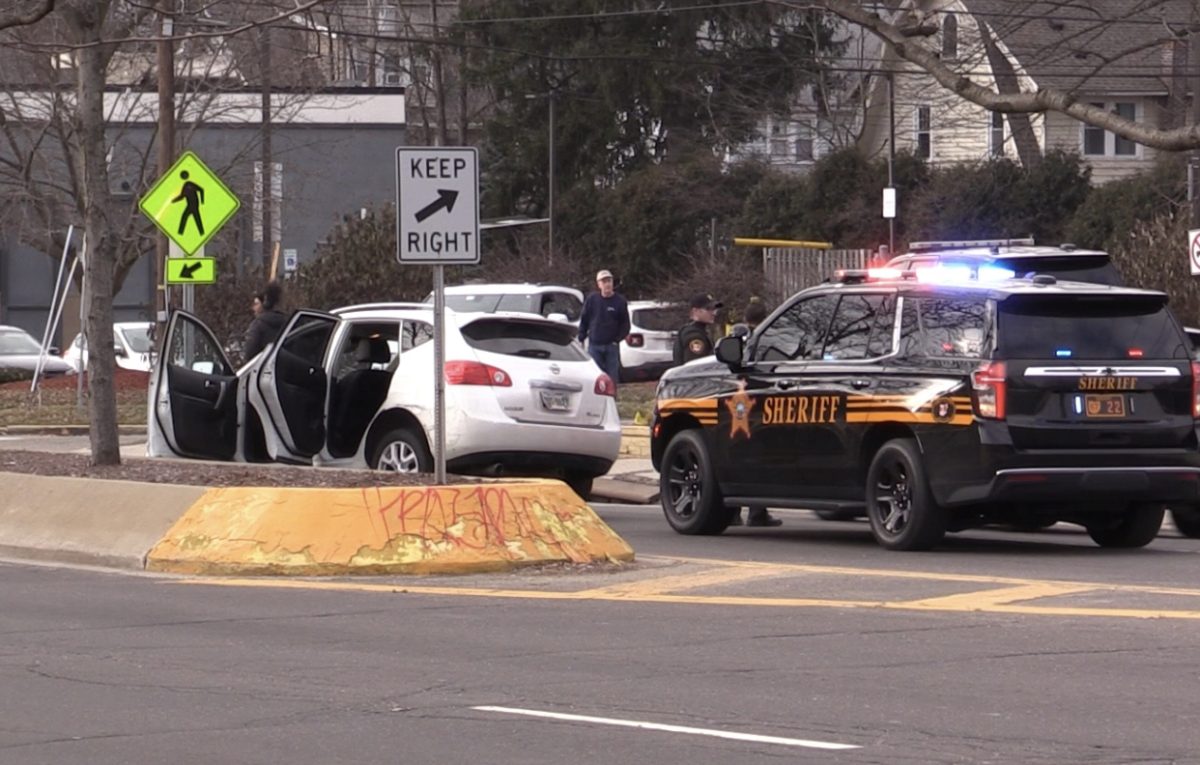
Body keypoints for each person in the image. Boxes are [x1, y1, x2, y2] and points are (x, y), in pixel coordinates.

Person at [727, 297, 782, 528]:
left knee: (737, 454)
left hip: (736, 405)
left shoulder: (738, 339)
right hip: (758, 406)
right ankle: (757, 512)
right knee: (759, 457)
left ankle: (733, 512)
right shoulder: (766, 340)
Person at [578, 269, 630, 386]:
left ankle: (612, 401)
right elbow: (584, 320)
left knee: (612, 379)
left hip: (611, 347)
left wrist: (616, 340)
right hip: (594, 346)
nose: (607, 284)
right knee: (597, 378)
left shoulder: (620, 301)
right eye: (604, 281)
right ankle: (598, 402)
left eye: (609, 281)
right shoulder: (592, 300)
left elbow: (625, 325)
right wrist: (581, 337)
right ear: (599, 284)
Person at [673, 292, 722, 366]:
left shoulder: (699, 331)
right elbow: (695, 367)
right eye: (708, 309)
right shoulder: (693, 335)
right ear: (695, 311)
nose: (713, 313)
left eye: (714, 309)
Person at [243, 280, 286, 362]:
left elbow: (250, 354)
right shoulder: (288, 323)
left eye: (256, 304)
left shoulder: (258, 325)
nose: (253, 308)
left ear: (264, 304)